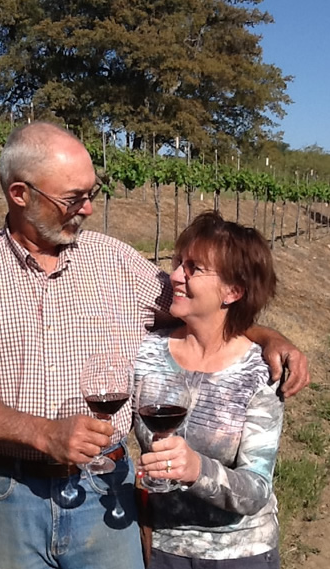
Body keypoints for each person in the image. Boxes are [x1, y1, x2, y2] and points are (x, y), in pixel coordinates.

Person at [0, 122, 308, 569]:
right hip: (12, 496)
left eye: (92, 192)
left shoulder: (115, 261)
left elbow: (205, 309)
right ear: (20, 194)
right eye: (73, 198)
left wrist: (267, 336)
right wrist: (45, 433)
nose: (88, 208)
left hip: (104, 491)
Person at [135, 211, 287, 569]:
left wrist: (196, 470)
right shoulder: (146, 352)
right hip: (161, 550)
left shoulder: (259, 372)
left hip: (241, 553)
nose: (174, 276)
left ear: (233, 291)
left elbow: (256, 489)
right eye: (177, 263)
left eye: (194, 269)